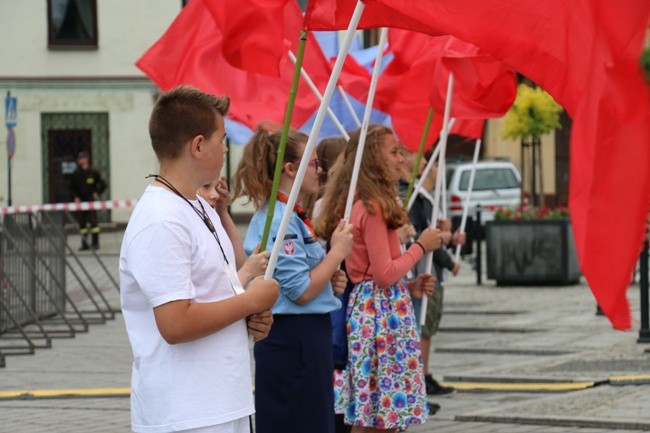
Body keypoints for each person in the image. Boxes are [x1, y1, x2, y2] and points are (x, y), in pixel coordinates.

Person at [120, 85, 279, 433]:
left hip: (220, 399)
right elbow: (176, 324)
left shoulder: (193, 205)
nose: (226, 148)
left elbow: (215, 291)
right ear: (197, 145)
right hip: (187, 412)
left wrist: (250, 318)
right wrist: (250, 300)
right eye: (221, 138)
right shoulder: (161, 219)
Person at [314, 125, 442, 433]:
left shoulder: (362, 203)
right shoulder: (373, 207)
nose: (401, 159)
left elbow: (372, 273)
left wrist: (408, 285)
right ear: (373, 158)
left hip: (372, 308)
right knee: (380, 416)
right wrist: (421, 246)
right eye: (394, 151)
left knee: (372, 412)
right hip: (381, 317)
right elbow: (383, 275)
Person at [231, 127, 354, 433]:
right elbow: (300, 291)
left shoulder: (294, 215)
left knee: (314, 420)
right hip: (294, 338)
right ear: (290, 169)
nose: (320, 170)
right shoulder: (279, 218)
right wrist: (336, 253)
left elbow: (307, 280)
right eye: (313, 163)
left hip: (306, 336)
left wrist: (329, 280)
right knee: (301, 422)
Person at [400, 149, 465, 397]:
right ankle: (419, 381)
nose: (430, 166)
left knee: (425, 327)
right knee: (420, 328)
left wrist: (446, 237)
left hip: (422, 272)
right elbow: (421, 237)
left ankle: (420, 379)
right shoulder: (411, 196)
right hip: (418, 271)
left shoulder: (421, 196)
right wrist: (448, 259)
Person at [196, 177, 270, 288]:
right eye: (206, 186)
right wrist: (248, 270)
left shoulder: (210, 216)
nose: (215, 195)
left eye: (216, 188)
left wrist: (222, 211)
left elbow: (239, 264)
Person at [69, 150, 107, 250]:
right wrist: (75, 197)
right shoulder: (76, 173)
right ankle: (84, 244)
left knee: (93, 223)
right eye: (79, 159)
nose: (79, 161)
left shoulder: (93, 172)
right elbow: (72, 187)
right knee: (82, 224)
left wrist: (97, 193)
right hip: (81, 201)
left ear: (86, 159)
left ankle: (95, 244)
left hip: (91, 201)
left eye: (81, 158)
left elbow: (103, 184)